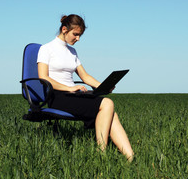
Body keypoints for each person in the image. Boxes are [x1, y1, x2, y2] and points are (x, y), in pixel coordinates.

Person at [37, 14, 134, 161]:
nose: (78, 39)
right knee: (107, 103)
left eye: (80, 35)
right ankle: (101, 154)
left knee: (111, 112)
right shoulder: (46, 49)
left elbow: (85, 76)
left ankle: (130, 158)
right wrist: (69, 88)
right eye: (75, 34)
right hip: (57, 96)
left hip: (73, 95)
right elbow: (43, 77)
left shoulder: (72, 52)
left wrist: (103, 86)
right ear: (64, 29)